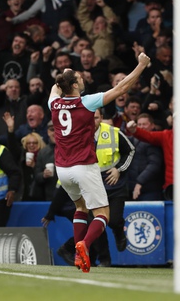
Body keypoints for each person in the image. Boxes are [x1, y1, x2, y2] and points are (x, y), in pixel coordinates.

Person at [49, 52, 151, 273]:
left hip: (62, 169)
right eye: (78, 76)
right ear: (75, 85)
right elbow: (121, 88)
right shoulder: (86, 102)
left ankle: (78, 254)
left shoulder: (53, 102)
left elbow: (56, 87)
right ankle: (84, 245)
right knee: (103, 214)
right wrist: (141, 65)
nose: (83, 77)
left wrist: (64, 76)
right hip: (83, 166)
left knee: (80, 207)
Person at [91, 108, 135, 266]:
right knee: (97, 225)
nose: (92, 121)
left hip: (114, 182)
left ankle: (119, 233)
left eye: (96, 118)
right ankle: (104, 260)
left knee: (114, 220)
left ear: (101, 117)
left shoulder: (113, 132)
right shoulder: (79, 134)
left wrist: (119, 169)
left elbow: (130, 151)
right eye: (89, 117)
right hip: (93, 184)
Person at [126, 113, 164, 201]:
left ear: (152, 125)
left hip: (150, 190)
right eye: (139, 124)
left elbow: (154, 165)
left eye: (144, 124)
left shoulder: (155, 140)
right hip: (134, 188)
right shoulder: (133, 140)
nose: (141, 127)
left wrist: (140, 182)